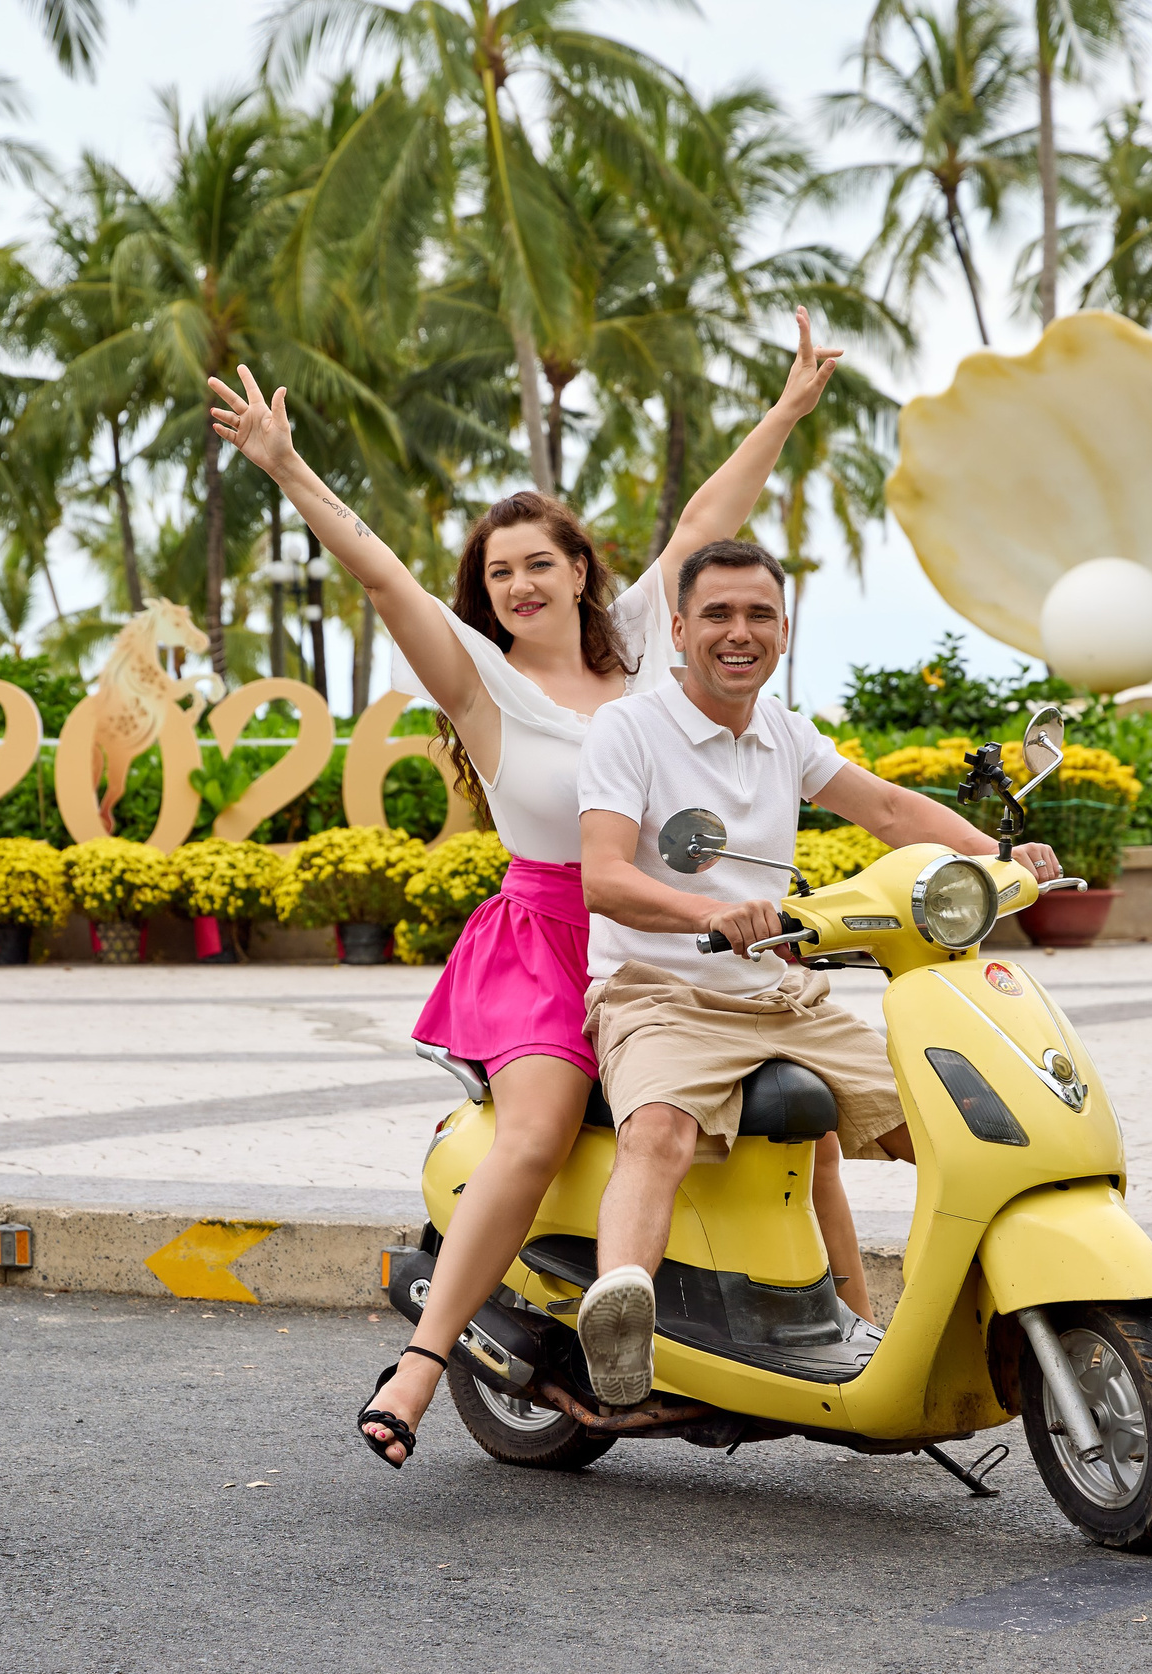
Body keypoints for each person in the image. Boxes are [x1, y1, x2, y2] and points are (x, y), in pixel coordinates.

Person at [206, 312, 885, 1467]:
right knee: (534, 1133)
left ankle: (857, 1347)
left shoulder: (644, 646)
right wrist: (285, 467)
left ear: (580, 571)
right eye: (498, 571)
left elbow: (704, 525)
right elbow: (378, 573)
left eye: (539, 563)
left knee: (805, 1123)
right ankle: (421, 1367)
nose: (520, 583)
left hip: (678, 933)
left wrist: (786, 410)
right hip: (546, 938)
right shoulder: (479, 680)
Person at [573, 537, 1152, 1405]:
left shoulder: (782, 730)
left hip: (778, 994)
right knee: (659, 1131)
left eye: (759, 614)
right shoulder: (629, 727)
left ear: (784, 631)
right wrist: (708, 913)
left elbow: (885, 808)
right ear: (679, 629)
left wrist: (998, 855)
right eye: (718, 614)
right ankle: (620, 1320)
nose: (740, 632)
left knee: (965, 1124)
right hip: (662, 992)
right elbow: (603, 875)